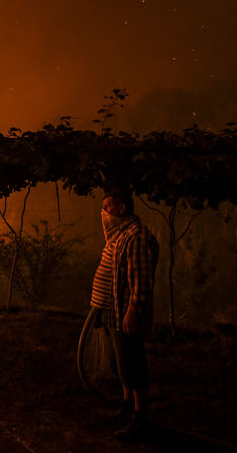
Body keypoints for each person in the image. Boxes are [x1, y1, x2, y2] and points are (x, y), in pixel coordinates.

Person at [90, 188, 159, 443]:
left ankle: (140, 418)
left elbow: (140, 279)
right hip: (113, 310)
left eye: (107, 206)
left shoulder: (135, 236)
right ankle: (127, 404)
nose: (103, 212)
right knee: (121, 361)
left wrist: (133, 310)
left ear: (121, 209)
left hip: (125, 313)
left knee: (132, 362)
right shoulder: (119, 236)